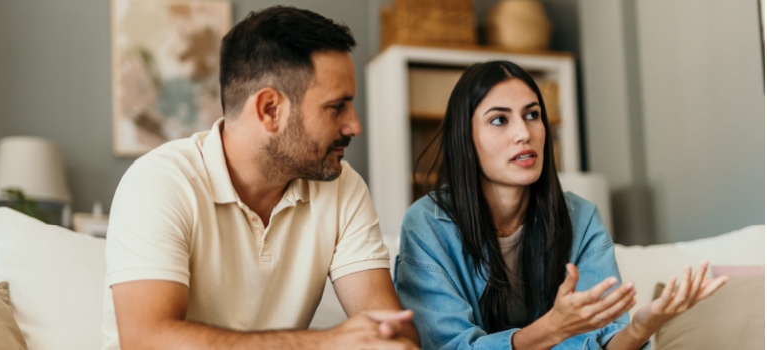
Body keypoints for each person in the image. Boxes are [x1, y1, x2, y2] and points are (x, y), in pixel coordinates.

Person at [102, 6, 419, 349]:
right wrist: (322, 343)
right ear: (270, 109)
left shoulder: (342, 186)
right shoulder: (159, 183)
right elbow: (147, 340)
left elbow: (391, 333)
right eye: (336, 107)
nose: (354, 125)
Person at [393, 60, 727, 349]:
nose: (523, 133)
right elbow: (448, 347)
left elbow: (602, 341)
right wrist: (552, 329)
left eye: (532, 115)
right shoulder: (428, 226)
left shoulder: (580, 219)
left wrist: (642, 326)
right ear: (464, 138)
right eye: (499, 120)